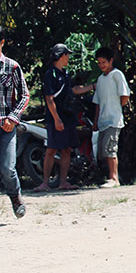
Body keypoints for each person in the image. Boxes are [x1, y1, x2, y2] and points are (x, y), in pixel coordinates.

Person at [35, 44, 94, 192]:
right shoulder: (50, 74)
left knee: (67, 149)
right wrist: (56, 119)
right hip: (56, 117)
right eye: (67, 55)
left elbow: (72, 91)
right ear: (61, 56)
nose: (68, 57)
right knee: (52, 149)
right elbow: (49, 99)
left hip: (68, 116)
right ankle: (45, 183)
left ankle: (63, 182)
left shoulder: (65, 73)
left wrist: (92, 86)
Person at [0, 27, 29, 218]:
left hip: (6, 126)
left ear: (1, 43)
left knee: (7, 168)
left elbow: (25, 95)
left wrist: (13, 117)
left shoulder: (12, 67)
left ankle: (15, 196)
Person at [92, 47, 130, 187]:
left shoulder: (117, 75)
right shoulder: (100, 79)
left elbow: (125, 96)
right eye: (99, 62)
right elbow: (97, 103)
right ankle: (110, 176)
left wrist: (116, 108)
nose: (101, 65)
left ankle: (114, 178)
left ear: (111, 61)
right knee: (103, 150)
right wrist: (96, 121)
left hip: (114, 120)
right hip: (103, 120)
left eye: (104, 62)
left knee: (110, 149)